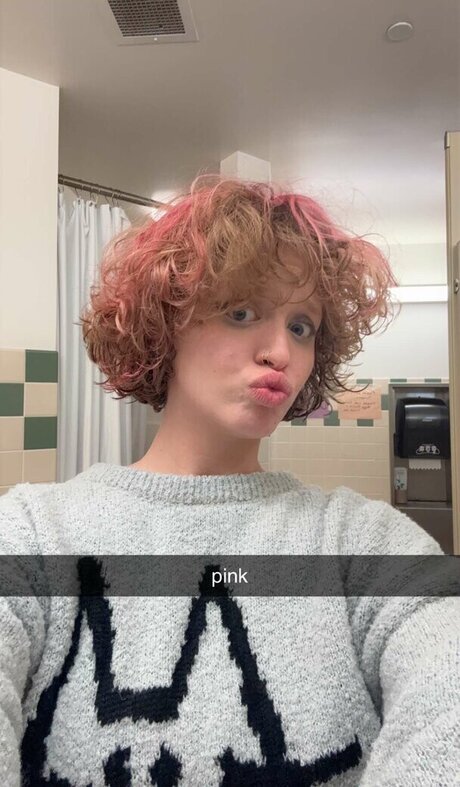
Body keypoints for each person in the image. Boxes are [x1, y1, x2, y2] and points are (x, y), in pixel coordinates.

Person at [1, 176, 459, 786]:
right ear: (165, 323)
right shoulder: (35, 534)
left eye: (302, 326)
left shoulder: (361, 543)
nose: (280, 352)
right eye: (242, 312)